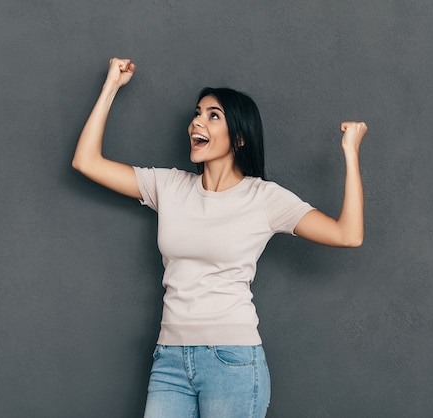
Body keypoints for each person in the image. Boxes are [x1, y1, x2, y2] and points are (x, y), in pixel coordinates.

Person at [72, 57, 367, 418]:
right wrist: (110, 87)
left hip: (232, 360)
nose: (197, 121)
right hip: (169, 359)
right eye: (198, 113)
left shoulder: (265, 198)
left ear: (239, 136)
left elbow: (347, 234)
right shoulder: (169, 186)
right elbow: (86, 161)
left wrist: (351, 153)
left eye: (214, 115)